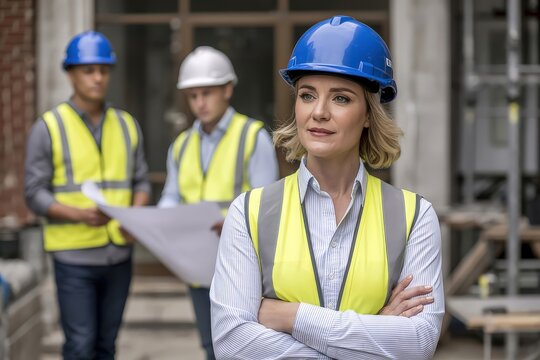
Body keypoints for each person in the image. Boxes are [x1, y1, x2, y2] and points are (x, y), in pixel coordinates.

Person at [210, 16, 444, 359]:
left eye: (341, 99)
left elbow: (419, 343)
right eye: (307, 95)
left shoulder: (415, 217)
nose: (318, 112)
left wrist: (291, 316)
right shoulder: (249, 213)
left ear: (368, 114)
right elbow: (233, 344)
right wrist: (374, 329)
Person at [24, 31, 151, 359]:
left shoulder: (126, 125)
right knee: (80, 346)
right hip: (73, 258)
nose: (97, 78)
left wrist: (134, 217)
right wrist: (79, 215)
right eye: (88, 70)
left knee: (106, 346)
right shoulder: (49, 127)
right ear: (70, 73)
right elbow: (34, 193)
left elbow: (141, 183)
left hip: (119, 255)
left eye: (103, 70)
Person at [158, 46, 279, 359]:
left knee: (245, 346)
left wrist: (233, 223)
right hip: (199, 267)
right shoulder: (181, 145)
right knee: (210, 346)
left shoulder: (252, 137)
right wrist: (163, 220)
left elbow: (268, 206)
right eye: (193, 95)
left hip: (243, 268)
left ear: (227, 89)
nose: (200, 103)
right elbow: (172, 195)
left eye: (207, 93)